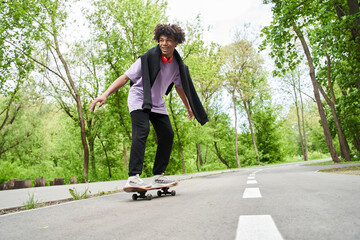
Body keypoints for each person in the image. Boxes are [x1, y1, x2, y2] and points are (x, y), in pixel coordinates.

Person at [90, 23, 208, 190]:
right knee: (142, 130)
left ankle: (159, 176)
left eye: (168, 40)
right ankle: (133, 177)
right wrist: (105, 94)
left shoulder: (177, 65)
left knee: (167, 134)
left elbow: (180, 87)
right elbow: (125, 78)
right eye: (161, 40)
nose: (164, 43)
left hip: (157, 102)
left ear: (176, 43)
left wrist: (188, 108)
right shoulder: (147, 58)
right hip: (139, 98)